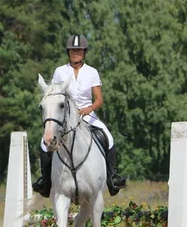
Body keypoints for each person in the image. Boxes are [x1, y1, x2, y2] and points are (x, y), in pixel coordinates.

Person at [33, 34, 127, 198]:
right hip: (64, 116)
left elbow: (99, 99)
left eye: (79, 50)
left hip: (86, 114)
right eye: (73, 50)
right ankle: (45, 181)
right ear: (68, 52)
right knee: (44, 142)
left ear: (84, 52)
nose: (76, 53)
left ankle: (112, 177)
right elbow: (54, 94)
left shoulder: (92, 72)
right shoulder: (60, 71)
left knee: (108, 137)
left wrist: (87, 109)